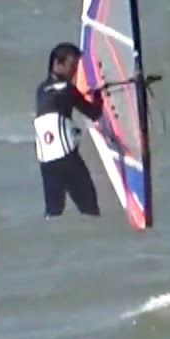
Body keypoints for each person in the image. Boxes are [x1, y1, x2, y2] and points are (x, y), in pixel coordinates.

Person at [34, 42, 105, 218]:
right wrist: (99, 94)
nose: (75, 72)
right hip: (67, 159)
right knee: (90, 209)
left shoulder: (41, 90)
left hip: (47, 163)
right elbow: (94, 113)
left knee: (53, 213)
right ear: (57, 64)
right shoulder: (67, 90)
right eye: (72, 67)